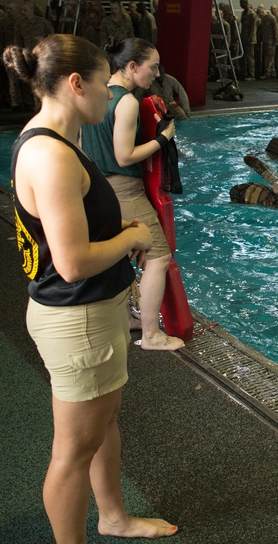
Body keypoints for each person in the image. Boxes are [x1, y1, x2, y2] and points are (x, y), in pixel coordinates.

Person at [3, 34, 178, 543]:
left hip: (85, 316)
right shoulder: (52, 156)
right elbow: (74, 262)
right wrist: (133, 234)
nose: (112, 92)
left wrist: (119, 227)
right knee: (72, 453)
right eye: (106, 83)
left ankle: (114, 517)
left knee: (102, 427)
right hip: (77, 319)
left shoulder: (53, 140)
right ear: (77, 84)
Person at [80, 38, 185, 351]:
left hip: (96, 186)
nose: (156, 73)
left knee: (120, 254)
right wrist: (163, 139)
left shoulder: (95, 95)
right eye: (151, 67)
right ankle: (151, 334)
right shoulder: (125, 101)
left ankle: (127, 317)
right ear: (131, 66)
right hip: (123, 188)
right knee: (158, 255)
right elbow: (124, 156)